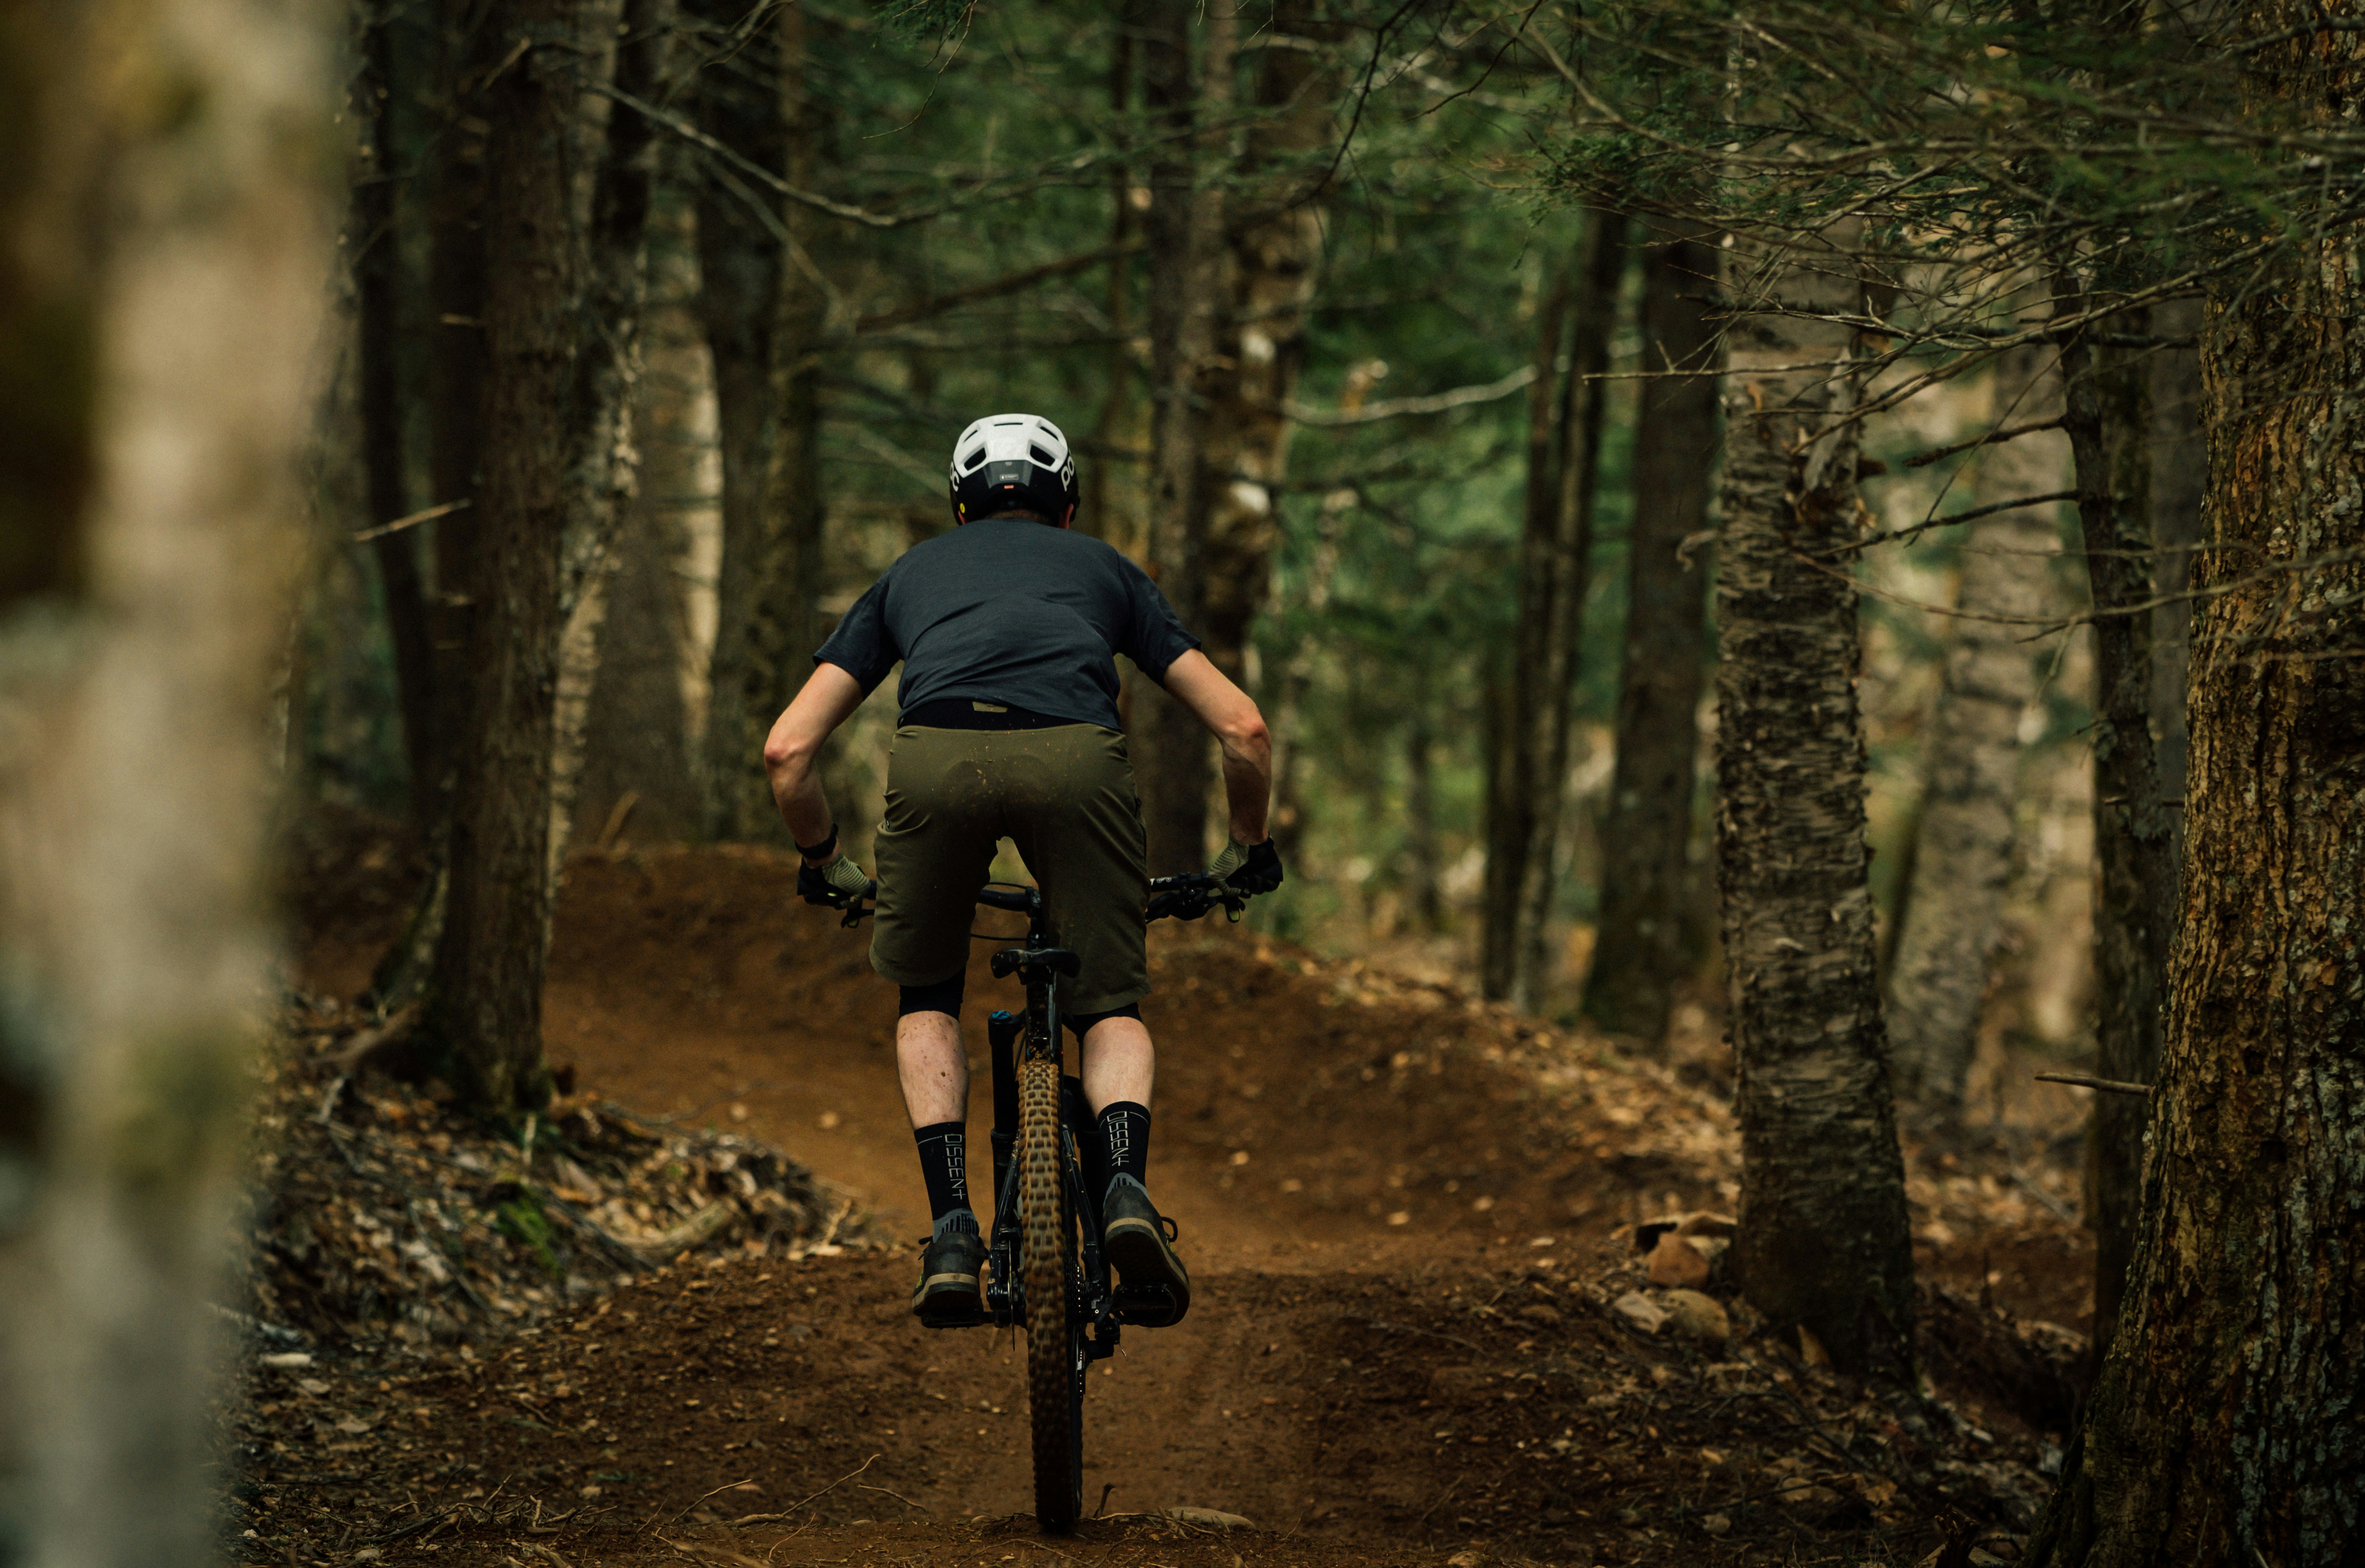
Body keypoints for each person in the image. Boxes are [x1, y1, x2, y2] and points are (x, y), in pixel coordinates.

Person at [759, 412, 1283, 1330]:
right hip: (1077, 765)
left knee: (925, 996)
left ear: (962, 509)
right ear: (1066, 507)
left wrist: (823, 862)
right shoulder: (1107, 571)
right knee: (1110, 1007)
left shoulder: (911, 574)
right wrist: (1246, 851)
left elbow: (787, 750)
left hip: (937, 765)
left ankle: (954, 1230)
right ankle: (1122, 1187)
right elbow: (1242, 728)